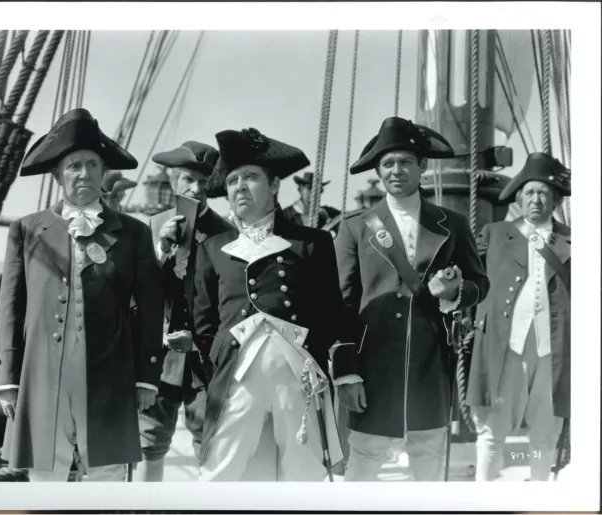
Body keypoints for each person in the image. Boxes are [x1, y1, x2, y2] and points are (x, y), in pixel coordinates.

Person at [0, 108, 164, 482]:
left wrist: (147, 378)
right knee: (44, 475)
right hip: (41, 373)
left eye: (92, 164)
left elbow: (151, 308)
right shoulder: (26, 230)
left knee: (107, 475)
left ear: (103, 174)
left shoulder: (133, 233)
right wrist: (7, 378)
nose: (84, 173)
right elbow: (10, 306)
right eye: (74, 166)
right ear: (58, 175)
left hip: (110, 375)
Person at [332, 116, 490, 481]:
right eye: (388, 163)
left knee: (429, 454)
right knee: (365, 456)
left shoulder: (453, 223)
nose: (396, 170)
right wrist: (347, 373)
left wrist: (454, 292)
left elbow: (480, 284)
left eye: (405, 161)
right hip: (372, 365)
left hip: (430, 362)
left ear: (422, 166)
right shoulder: (355, 226)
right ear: (378, 170)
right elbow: (341, 303)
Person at [193, 127, 344, 481]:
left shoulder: (312, 243)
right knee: (220, 469)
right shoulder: (213, 249)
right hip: (235, 375)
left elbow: (331, 313)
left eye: (250, 177)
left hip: (298, 375)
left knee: (303, 471)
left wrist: (313, 358)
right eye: (232, 180)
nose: (240, 186)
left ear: (274, 186)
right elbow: (203, 326)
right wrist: (218, 365)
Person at [466, 152, 571, 481]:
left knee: (544, 433)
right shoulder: (494, 234)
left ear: (554, 200)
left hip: (553, 351)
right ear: (518, 198)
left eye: (543, 193)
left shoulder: (576, 239)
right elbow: (470, 281)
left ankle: (539, 494)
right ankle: (484, 500)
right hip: (503, 348)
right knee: (492, 432)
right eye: (529, 192)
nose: (535, 199)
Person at [135, 141, 234, 481]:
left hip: (204, 360)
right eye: (188, 180)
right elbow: (136, 294)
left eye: (205, 182)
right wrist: (160, 249)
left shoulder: (228, 234)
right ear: (173, 182)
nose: (196, 189)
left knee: (207, 438)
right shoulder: (150, 228)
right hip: (158, 358)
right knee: (150, 441)